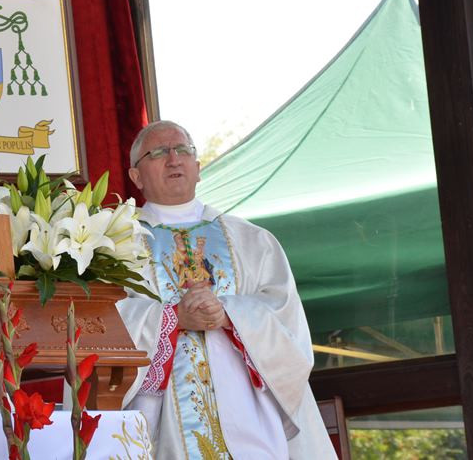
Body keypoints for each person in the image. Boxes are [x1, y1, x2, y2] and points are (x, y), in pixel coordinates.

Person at [118, 120, 336, 459]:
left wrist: (229, 315)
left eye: (182, 150)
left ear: (197, 168)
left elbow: (286, 317)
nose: (174, 159)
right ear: (136, 176)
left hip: (249, 417)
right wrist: (172, 318)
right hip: (161, 425)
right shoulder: (118, 244)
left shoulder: (251, 240)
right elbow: (103, 322)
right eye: (158, 152)